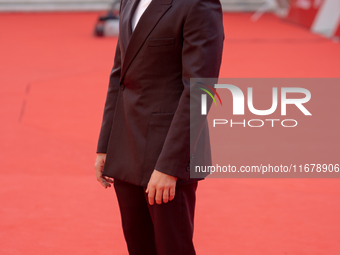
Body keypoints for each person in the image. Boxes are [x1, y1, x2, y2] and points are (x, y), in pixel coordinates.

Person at [94, 0, 224, 254]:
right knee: (139, 247)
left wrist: (170, 166)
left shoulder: (198, 4)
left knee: (172, 249)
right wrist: (106, 145)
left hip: (167, 153)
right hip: (126, 150)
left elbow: (200, 91)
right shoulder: (129, 1)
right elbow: (119, 74)